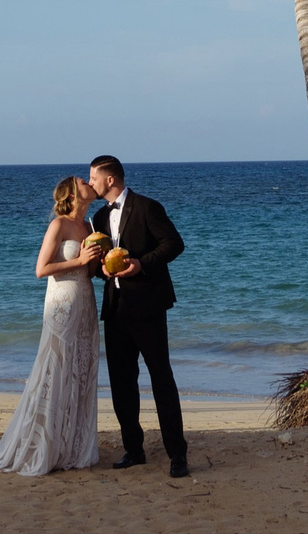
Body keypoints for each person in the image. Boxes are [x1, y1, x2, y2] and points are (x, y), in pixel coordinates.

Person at [0, 176, 102, 476]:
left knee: (82, 367)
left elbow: (89, 271)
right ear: (72, 195)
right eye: (83, 181)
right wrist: (79, 260)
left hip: (85, 302)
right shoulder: (59, 225)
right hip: (61, 304)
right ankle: (45, 445)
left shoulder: (89, 227)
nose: (89, 182)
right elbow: (41, 269)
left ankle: (72, 446)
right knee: (57, 367)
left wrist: (97, 260)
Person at [81, 155, 187, 477]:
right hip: (115, 308)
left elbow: (174, 244)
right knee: (121, 383)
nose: (90, 183)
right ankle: (134, 449)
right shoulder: (99, 217)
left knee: (161, 379)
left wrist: (141, 264)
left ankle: (177, 454)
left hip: (149, 306)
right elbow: (101, 265)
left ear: (110, 179)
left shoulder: (147, 207)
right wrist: (100, 270)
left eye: (93, 178)